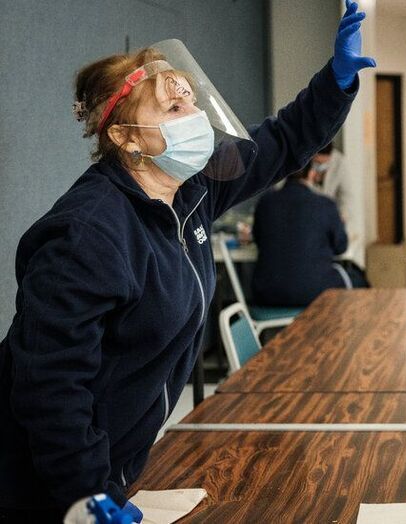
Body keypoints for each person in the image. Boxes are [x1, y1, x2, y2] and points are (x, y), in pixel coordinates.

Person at [0, 1, 375, 520]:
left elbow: (282, 141)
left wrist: (335, 83)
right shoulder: (86, 235)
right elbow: (51, 387)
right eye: (173, 110)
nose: (195, 117)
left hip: (117, 463)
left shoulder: (192, 191)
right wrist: (87, 493)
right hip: (35, 485)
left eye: (191, 102)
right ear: (126, 138)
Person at [252, 145, 356, 307]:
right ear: (312, 173)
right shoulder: (326, 205)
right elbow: (341, 247)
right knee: (357, 279)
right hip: (315, 293)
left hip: (267, 295)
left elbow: (259, 240)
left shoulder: (265, 202)